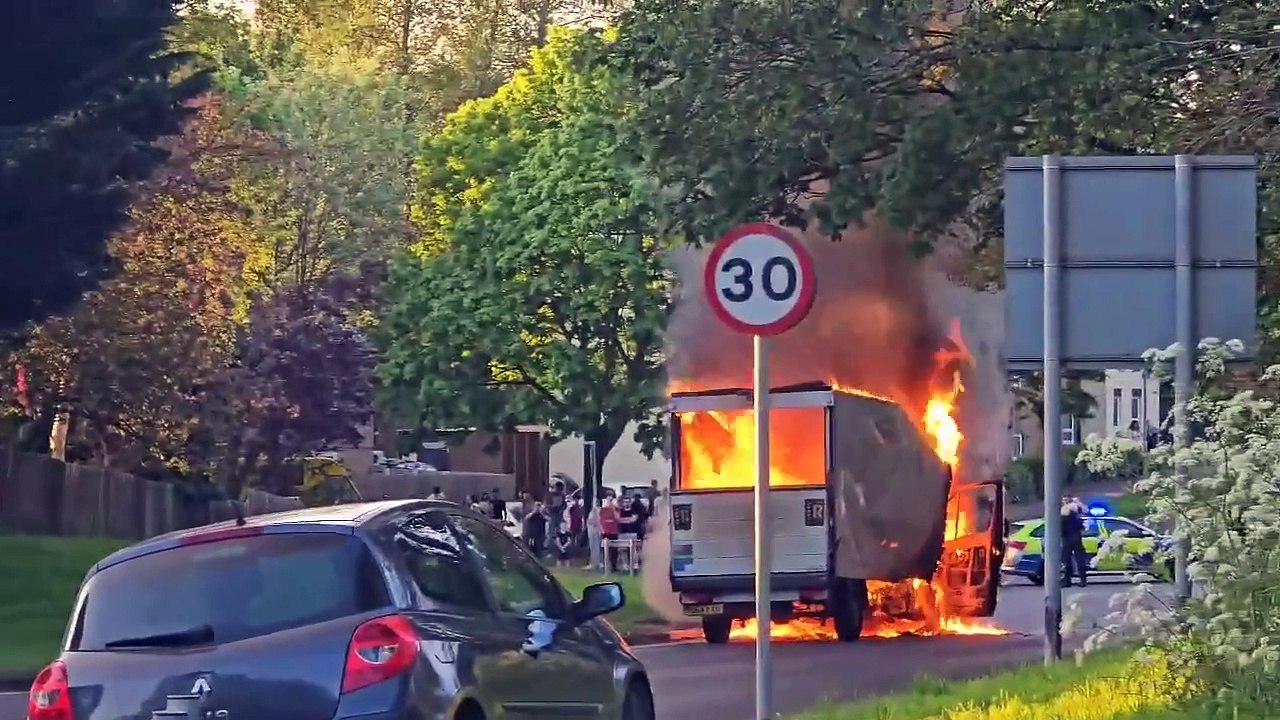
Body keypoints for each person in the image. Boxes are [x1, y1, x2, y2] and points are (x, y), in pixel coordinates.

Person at [1061, 496, 1089, 587]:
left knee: (1067, 560)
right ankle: (1082, 580)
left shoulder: (1066, 509)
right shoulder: (1077, 510)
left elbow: (1063, 518)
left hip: (1068, 538)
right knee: (1079, 560)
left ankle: (1067, 580)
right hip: (1076, 537)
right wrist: (1078, 502)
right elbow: (1085, 511)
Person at [598, 496, 621, 572]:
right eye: (608, 500)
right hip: (605, 532)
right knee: (605, 550)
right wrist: (602, 531)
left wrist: (613, 508)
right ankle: (605, 567)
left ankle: (614, 567)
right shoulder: (602, 510)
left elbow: (618, 518)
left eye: (611, 500)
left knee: (614, 551)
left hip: (613, 532)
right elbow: (599, 521)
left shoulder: (615, 509)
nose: (610, 502)